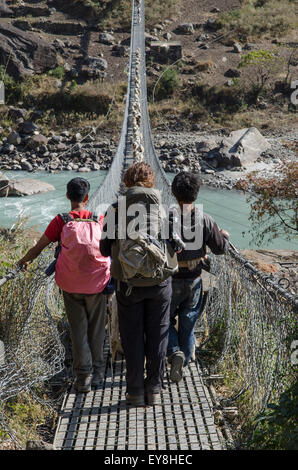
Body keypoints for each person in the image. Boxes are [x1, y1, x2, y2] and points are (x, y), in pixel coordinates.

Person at [17, 177, 110, 393]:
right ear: (87, 198)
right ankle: (97, 374)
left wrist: (23, 261)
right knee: (97, 329)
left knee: (78, 330)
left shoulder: (61, 220)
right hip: (97, 283)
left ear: (67, 196)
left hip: (70, 284)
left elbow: (38, 247)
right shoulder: (100, 218)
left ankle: (83, 378)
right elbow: (112, 248)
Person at [100, 162, 175, 407]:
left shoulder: (115, 209)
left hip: (127, 285)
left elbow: (102, 249)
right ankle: (154, 389)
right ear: (152, 182)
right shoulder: (163, 209)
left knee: (132, 338)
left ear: (127, 182)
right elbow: (173, 245)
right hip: (159, 283)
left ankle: (134, 392)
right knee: (159, 335)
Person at [167, 171, 230, 383]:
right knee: (188, 320)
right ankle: (184, 363)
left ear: (173, 193)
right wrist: (225, 237)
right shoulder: (206, 219)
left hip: (170, 280)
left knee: (163, 320)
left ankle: (174, 351)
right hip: (194, 279)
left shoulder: (167, 218)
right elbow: (220, 249)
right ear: (197, 193)